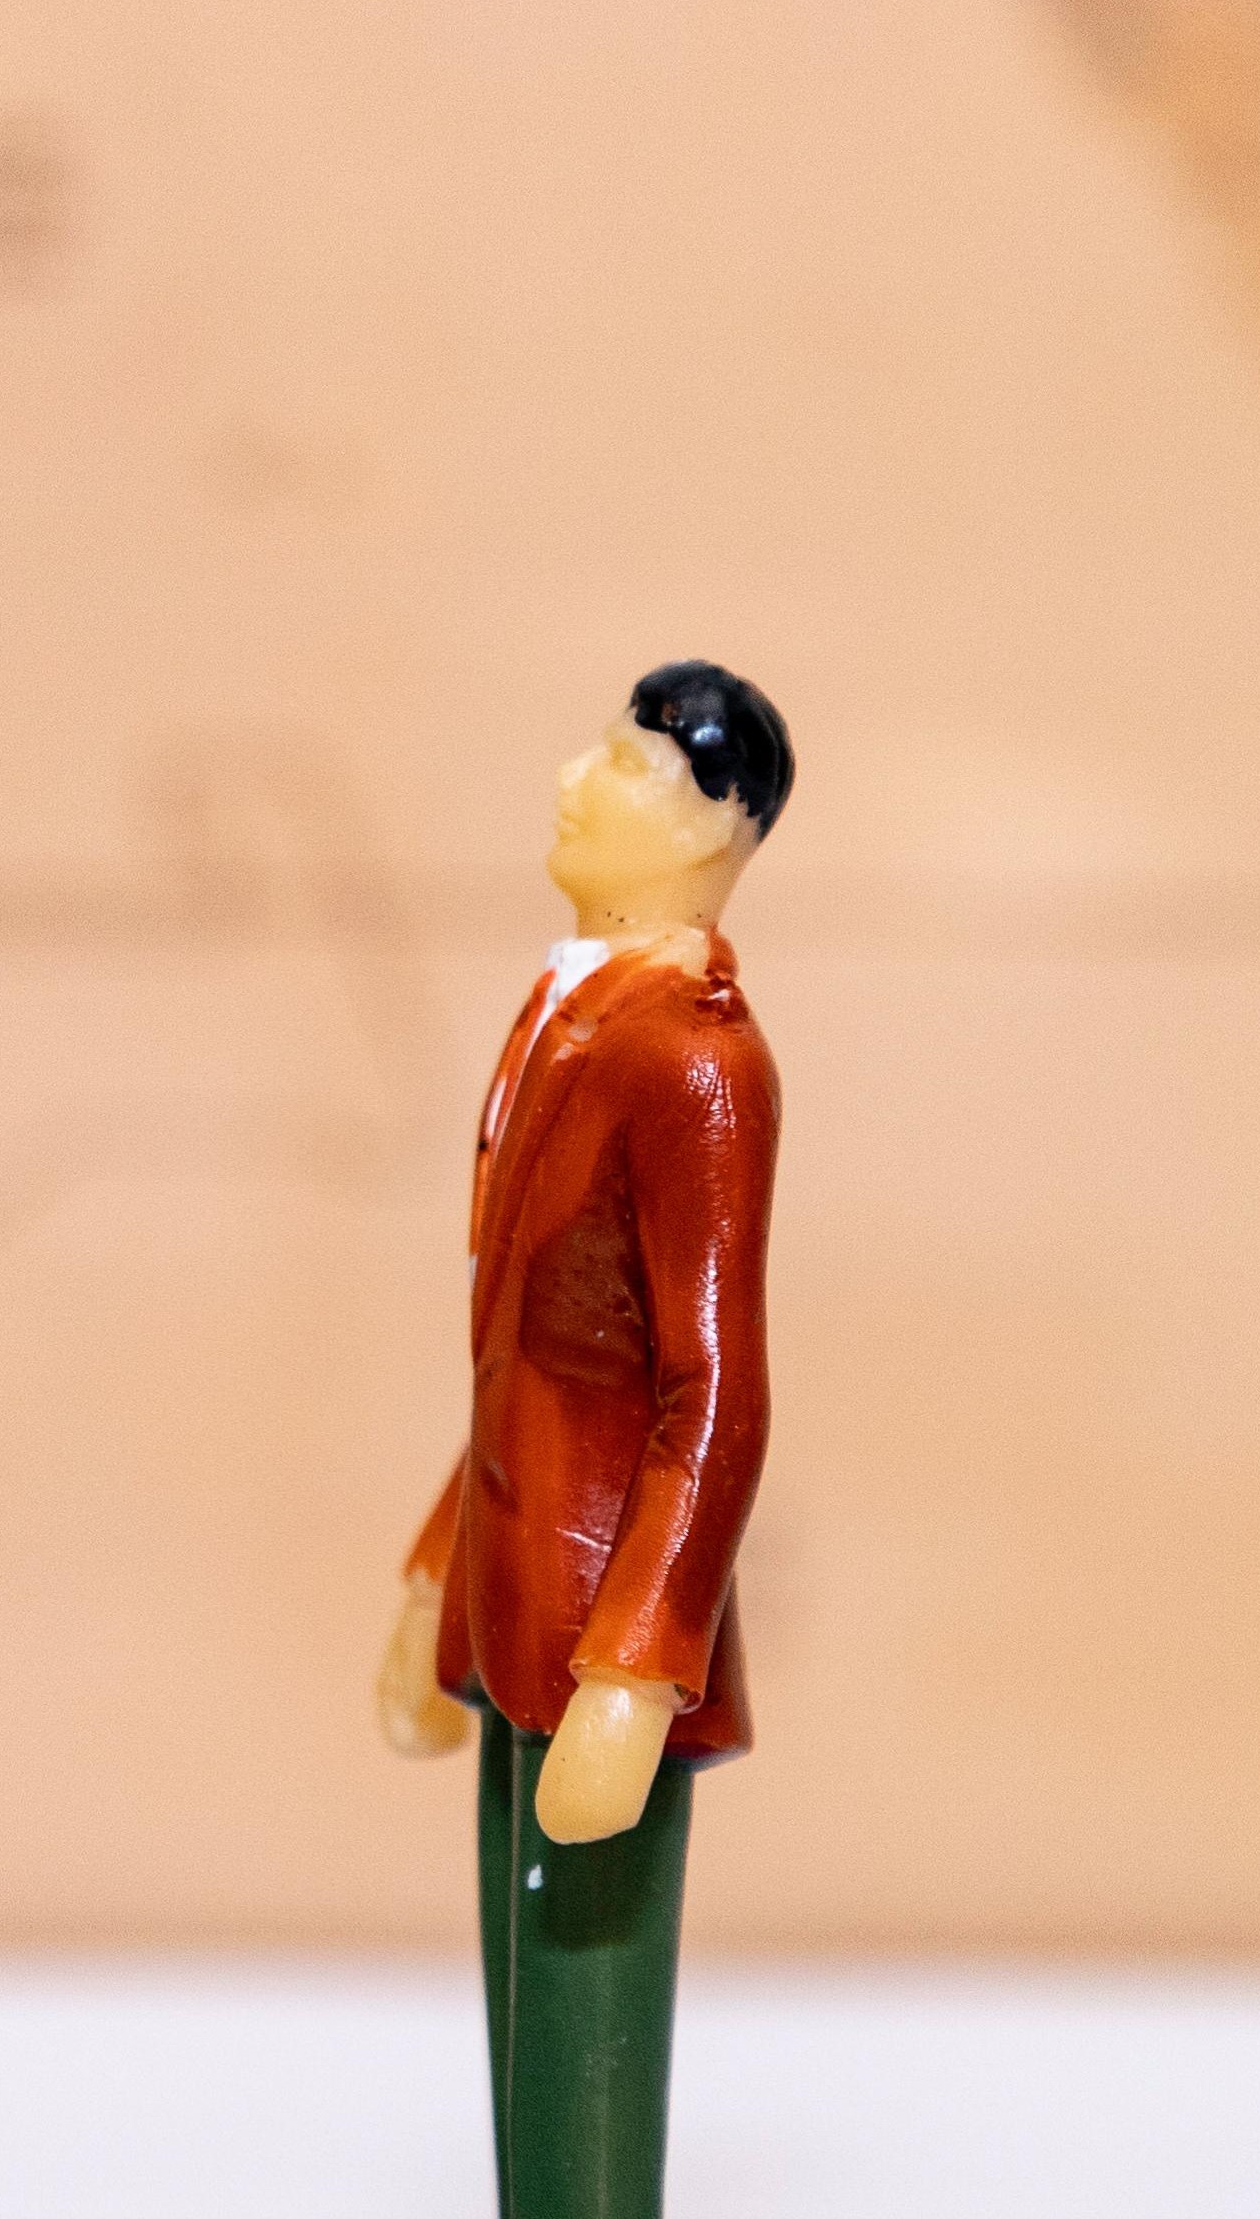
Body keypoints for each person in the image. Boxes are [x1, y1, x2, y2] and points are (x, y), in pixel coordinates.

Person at [377, 660, 789, 2216]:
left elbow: (713, 1385)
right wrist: (436, 1580)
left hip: (607, 1609)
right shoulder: (563, 1010)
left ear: (718, 823)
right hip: (513, 1586)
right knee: (517, 1981)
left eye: (622, 768)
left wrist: (635, 1666)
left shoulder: (694, 1062)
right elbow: (520, 1354)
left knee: (582, 2024)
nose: (571, 778)